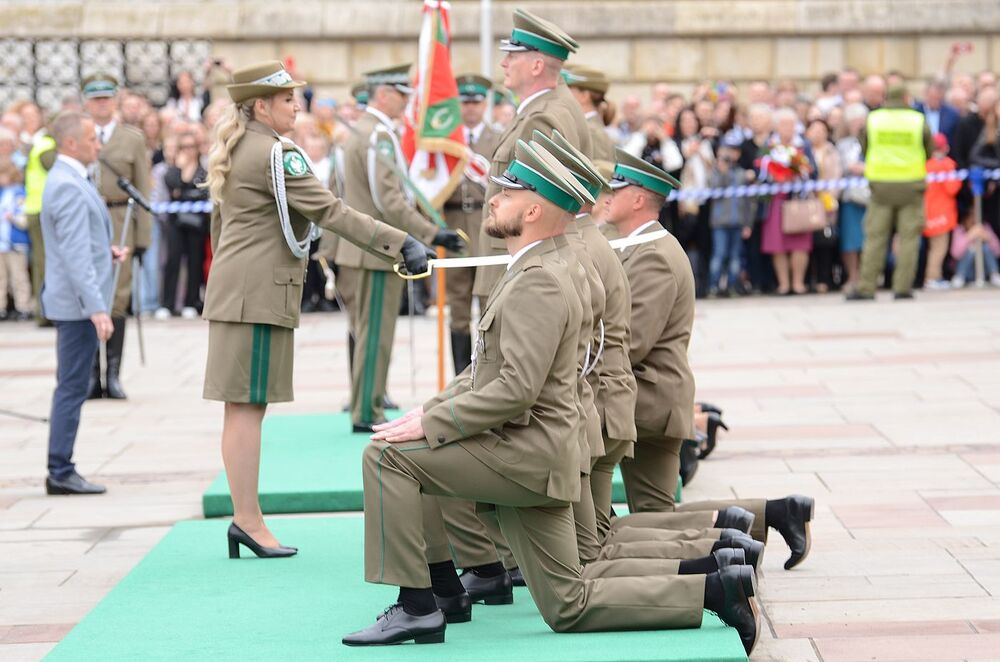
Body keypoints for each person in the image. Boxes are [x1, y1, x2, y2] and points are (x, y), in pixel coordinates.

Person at [343, 139, 759, 653]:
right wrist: (434, 411)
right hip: (543, 450)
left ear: (535, 209)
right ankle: (714, 587)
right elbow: (502, 372)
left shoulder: (538, 279)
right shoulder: (542, 265)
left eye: (507, 192)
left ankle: (419, 604)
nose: (492, 199)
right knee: (569, 603)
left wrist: (436, 421)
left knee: (389, 457)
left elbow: (516, 389)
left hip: (526, 454)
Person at [201, 60, 433, 557]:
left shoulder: (242, 146)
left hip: (238, 289)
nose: (297, 106)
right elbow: (330, 211)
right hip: (257, 294)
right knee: (246, 408)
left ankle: (247, 518)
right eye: (287, 100)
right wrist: (402, 242)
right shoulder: (276, 153)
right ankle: (247, 519)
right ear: (261, 106)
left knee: (241, 407)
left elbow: (221, 230)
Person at [333, 64, 464, 433]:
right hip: (377, 250)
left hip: (363, 247)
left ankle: (366, 404)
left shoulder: (361, 131)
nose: (407, 103)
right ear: (384, 94)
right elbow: (388, 201)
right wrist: (432, 233)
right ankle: (367, 410)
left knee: (368, 332)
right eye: (402, 95)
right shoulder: (379, 136)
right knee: (376, 334)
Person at [470, 7, 593, 301]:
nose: (504, 63)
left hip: (518, 259)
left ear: (537, 66)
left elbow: (533, 204)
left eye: (513, 56)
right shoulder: (548, 108)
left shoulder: (543, 117)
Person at [41, 111, 127, 495]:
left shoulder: (71, 179)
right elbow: (73, 255)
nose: (99, 145)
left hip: (76, 300)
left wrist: (104, 252)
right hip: (76, 305)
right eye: (93, 139)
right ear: (71, 143)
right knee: (72, 387)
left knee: (72, 384)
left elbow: (76, 244)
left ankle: (62, 466)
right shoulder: (67, 184)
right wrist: (96, 308)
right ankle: (60, 469)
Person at [82, 73, 152, 400]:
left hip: (120, 218)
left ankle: (113, 374)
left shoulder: (132, 139)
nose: (101, 104)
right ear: (86, 102)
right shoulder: (76, 135)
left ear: (115, 100)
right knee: (87, 293)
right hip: (84, 219)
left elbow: (143, 189)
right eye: (95, 99)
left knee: (117, 298)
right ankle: (92, 376)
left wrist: (142, 240)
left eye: (106, 98)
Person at [847, 84, 934, 301]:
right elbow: (929, 150)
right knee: (908, 238)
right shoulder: (918, 120)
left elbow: (864, 147)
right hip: (911, 186)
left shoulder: (874, 119)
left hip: (881, 186)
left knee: (875, 237)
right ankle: (902, 287)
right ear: (906, 98)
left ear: (886, 98)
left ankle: (867, 287)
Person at [442, 74, 501, 374]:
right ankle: (460, 378)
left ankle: (485, 374)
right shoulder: (446, 140)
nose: (471, 108)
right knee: (458, 305)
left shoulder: (498, 138)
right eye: (465, 102)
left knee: (488, 301)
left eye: (476, 102)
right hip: (454, 222)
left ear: (485, 103)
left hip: (486, 223)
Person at [760, 107, 814, 295]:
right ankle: (784, 283)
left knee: (800, 242)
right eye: (783, 124)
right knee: (777, 242)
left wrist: (798, 171)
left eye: (791, 124)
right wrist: (774, 176)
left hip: (798, 198)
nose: (787, 128)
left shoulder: (803, 145)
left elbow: (812, 169)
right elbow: (761, 171)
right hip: (776, 199)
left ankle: (798, 283)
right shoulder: (769, 145)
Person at [160, 133, 209, 318]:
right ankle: (168, 303)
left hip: (196, 222)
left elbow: (203, 193)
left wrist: (182, 193)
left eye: (191, 147)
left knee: (195, 262)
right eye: (184, 147)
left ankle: (191, 301)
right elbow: (171, 186)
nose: (188, 151)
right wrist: (180, 171)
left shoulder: (203, 171)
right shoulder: (174, 169)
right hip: (176, 222)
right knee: (172, 260)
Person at [707, 133, 753, 296]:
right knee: (719, 255)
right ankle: (713, 286)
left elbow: (748, 201)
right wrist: (723, 172)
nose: (730, 154)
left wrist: (748, 223)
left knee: (735, 257)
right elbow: (715, 193)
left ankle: (732, 286)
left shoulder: (742, 173)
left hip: (738, 221)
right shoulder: (715, 173)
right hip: (720, 222)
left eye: (734, 150)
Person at [804, 118, 843, 293]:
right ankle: (809, 278)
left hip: (827, 202)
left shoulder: (831, 151)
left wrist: (829, 199)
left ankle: (824, 278)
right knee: (807, 241)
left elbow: (836, 175)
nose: (818, 133)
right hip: (807, 202)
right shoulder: (803, 151)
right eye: (814, 130)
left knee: (826, 240)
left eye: (821, 130)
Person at [23, 130, 57, 324]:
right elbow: (54, 167)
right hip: (42, 208)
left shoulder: (42, 144)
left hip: (37, 207)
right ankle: (46, 312)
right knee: (46, 262)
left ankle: (44, 312)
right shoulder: (47, 146)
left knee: (41, 262)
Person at [836, 103, 870, 291]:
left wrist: (864, 168)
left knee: (869, 237)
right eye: (854, 122)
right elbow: (841, 167)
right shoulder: (843, 145)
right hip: (850, 196)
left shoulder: (874, 142)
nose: (858, 125)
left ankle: (867, 275)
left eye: (861, 121)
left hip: (871, 195)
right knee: (850, 239)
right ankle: (853, 275)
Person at [923, 133, 961, 289]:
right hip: (942, 214)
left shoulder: (925, 164)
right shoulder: (947, 164)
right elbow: (953, 188)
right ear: (946, 148)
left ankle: (934, 276)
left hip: (927, 212)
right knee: (939, 249)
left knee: (933, 248)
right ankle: (932, 278)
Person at [562, 63, 616, 161]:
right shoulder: (588, 128)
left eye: (570, 90)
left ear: (584, 96)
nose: (564, 95)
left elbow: (598, 172)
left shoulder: (591, 132)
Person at [0, 158, 32, 320]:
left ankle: (23, 307)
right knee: (1, 278)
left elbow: (24, 219)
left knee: (19, 277)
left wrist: (13, 217)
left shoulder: (20, 193)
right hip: (1, 244)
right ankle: (2, 308)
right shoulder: (1, 192)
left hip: (16, 243)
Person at [949, 215, 1000, 288]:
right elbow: (955, 254)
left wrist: (988, 238)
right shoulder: (960, 229)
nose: (973, 219)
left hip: (984, 271)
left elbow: (998, 252)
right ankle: (959, 277)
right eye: (971, 216)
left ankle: (995, 275)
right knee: (972, 248)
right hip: (965, 272)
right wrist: (969, 236)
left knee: (985, 247)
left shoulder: (985, 227)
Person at [914, 78, 961, 149]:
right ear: (925, 95)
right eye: (932, 97)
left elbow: (955, 140)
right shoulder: (915, 112)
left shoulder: (952, 114)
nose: (935, 101)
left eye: (938, 98)